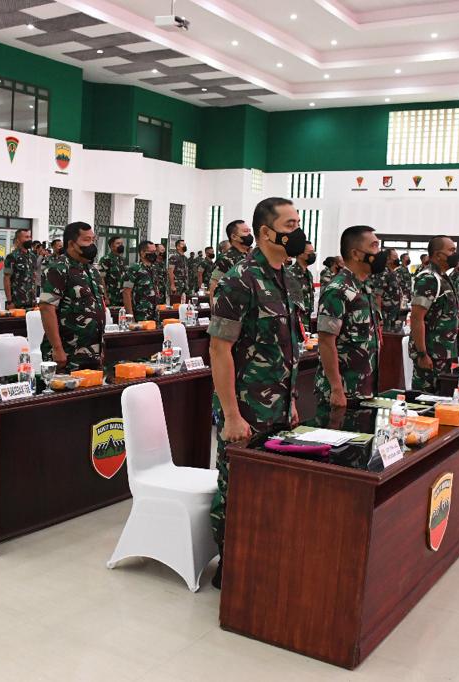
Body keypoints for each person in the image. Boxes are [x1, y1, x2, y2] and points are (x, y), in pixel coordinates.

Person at [209, 197, 306, 589]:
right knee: (236, 488)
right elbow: (219, 350)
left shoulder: (288, 276)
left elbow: (286, 346)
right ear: (266, 232)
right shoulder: (240, 278)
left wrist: (293, 399)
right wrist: (231, 415)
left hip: (279, 405)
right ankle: (229, 569)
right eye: (290, 224)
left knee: (271, 488)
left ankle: (261, 562)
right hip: (246, 407)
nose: (298, 231)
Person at [315, 226, 383, 405]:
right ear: (356, 253)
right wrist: (337, 389)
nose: (379, 252)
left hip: (365, 388)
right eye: (374, 246)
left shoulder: (364, 287)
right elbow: (325, 342)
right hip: (344, 392)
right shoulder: (338, 290)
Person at [40, 221, 106, 371]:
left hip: (92, 352)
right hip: (68, 352)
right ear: (71, 243)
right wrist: (57, 348)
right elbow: (46, 308)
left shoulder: (92, 270)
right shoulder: (58, 268)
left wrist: (101, 348)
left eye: (93, 240)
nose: (91, 244)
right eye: (86, 240)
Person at [410, 236, 459, 392]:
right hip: (431, 354)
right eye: (451, 250)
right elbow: (417, 318)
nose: (455, 254)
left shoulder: (442, 277)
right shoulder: (429, 278)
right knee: (426, 399)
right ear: (438, 255)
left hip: (444, 353)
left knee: (442, 398)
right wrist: (422, 353)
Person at [208, 220, 253, 298]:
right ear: (234, 237)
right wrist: (214, 309)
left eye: (249, 231)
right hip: (232, 306)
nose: (249, 234)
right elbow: (213, 287)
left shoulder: (249, 256)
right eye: (245, 231)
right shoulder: (225, 259)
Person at [122, 241, 163, 323]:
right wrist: (130, 316)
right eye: (152, 252)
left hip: (154, 313)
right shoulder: (134, 268)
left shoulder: (154, 268)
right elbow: (126, 292)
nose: (155, 254)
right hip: (140, 314)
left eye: (155, 251)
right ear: (142, 253)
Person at [3, 228, 37, 310]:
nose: (29, 239)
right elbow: (6, 279)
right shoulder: (11, 257)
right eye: (26, 237)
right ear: (18, 240)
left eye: (29, 237)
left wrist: (35, 298)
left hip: (31, 302)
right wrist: (9, 301)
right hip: (17, 303)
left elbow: (34, 277)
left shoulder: (33, 256)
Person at [370, 248, 404, 330]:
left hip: (393, 315)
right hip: (385, 316)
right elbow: (377, 296)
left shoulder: (394, 273)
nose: (397, 259)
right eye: (395, 257)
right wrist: (379, 317)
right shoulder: (382, 273)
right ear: (388, 259)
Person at [292, 241, 316, 331]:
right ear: (300, 254)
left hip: (307, 321)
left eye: (314, 252)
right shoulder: (290, 274)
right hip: (295, 323)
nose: (313, 255)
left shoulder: (308, 274)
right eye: (310, 252)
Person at [97, 236, 127, 307]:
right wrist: (105, 298)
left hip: (122, 298)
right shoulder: (105, 259)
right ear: (111, 246)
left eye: (122, 243)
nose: (121, 245)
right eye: (118, 243)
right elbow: (101, 279)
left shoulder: (122, 259)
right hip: (111, 298)